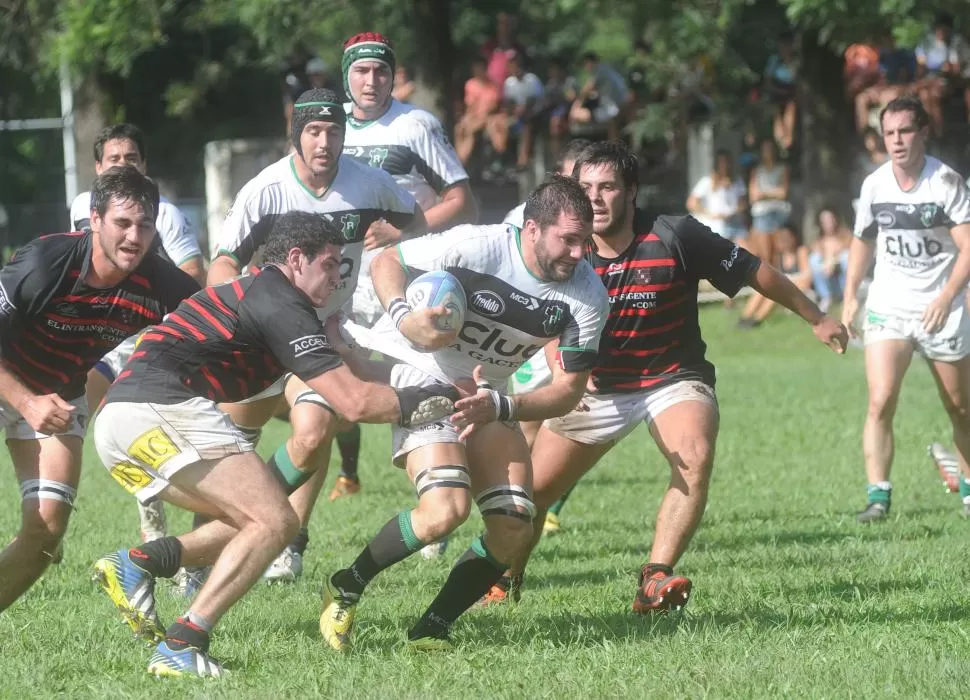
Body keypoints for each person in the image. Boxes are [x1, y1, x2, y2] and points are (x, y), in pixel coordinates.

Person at [90, 211, 462, 677]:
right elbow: (356, 403)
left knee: (248, 519)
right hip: (157, 408)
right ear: (295, 259)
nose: (337, 276)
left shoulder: (275, 301)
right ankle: (183, 644)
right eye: (328, 265)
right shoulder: (280, 304)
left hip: (122, 425)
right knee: (276, 519)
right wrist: (443, 400)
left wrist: (443, 382)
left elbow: (357, 372)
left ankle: (139, 563)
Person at [487, 141, 847, 608]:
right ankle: (504, 580)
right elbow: (548, 315)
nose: (594, 198)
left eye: (607, 187)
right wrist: (565, 372)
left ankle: (655, 579)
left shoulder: (675, 234)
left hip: (673, 378)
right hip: (599, 385)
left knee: (693, 458)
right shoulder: (567, 245)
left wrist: (817, 317)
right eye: (585, 187)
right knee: (530, 497)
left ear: (631, 191)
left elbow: (757, 272)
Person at [318, 175, 609, 651]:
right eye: (569, 240)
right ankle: (346, 584)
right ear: (533, 229)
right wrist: (403, 317)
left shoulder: (587, 297)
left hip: (489, 396)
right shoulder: (477, 247)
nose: (580, 254)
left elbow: (568, 389)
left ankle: (432, 627)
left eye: (586, 241)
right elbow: (390, 260)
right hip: (423, 375)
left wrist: (502, 404)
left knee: (515, 525)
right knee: (444, 511)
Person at [207, 86, 426, 584]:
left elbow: (416, 221)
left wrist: (399, 239)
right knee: (230, 445)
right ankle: (210, 543)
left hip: (324, 335)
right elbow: (222, 265)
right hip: (264, 336)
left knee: (313, 430)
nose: (324, 142)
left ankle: (289, 542)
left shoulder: (370, 184)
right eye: (313, 132)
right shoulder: (266, 191)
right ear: (296, 137)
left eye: (333, 131)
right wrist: (246, 313)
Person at [0, 166, 199, 613]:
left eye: (144, 225)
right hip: (9, 379)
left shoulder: (161, 283)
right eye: (122, 223)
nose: (134, 237)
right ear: (94, 220)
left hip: (58, 397)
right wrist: (25, 401)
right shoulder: (44, 262)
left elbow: (215, 322)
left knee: (46, 536)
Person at [328, 32, 477, 510]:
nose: (371, 81)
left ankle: (441, 494)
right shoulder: (330, 128)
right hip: (346, 283)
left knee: (424, 383)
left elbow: (462, 201)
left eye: (381, 71)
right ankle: (335, 488)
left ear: (393, 76)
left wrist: (404, 231)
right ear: (345, 76)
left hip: (407, 279)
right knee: (333, 385)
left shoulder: (416, 125)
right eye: (361, 71)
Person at [70, 123, 207, 564]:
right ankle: (49, 518)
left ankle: (163, 527)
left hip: (147, 340)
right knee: (69, 418)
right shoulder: (81, 207)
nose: (124, 165)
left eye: (132, 158)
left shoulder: (164, 212)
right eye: (115, 159)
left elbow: (193, 273)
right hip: (98, 341)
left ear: (144, 165)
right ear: (97, 167)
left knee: (149, 432)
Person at [841, 96, 970, 522]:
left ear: (923, 133)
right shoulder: (875, 185)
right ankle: (878, 497)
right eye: (889, 133)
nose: (897, 141)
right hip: (889, 304)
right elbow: (862, 240)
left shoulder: (946, 183)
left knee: (959, 406)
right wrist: (850, 295)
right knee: (880, 400)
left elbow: (968, 246)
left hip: (941, 305)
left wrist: (948, 294)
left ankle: (968, 485)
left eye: (905, 131)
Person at [738, 221, 813, 327]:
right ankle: (745, 318)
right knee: (761, 290)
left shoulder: (801, 251)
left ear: (794, 237)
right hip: (785, 285)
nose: (784, 240)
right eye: (782, 237)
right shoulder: (779, 255)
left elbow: (807, 277)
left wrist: (787, 280)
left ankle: (757, 320)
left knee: (775, 293)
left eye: (787, 237)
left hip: (800, 288)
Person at [686, 148, 748, 244]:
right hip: (715, 226)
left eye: (727, 162)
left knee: (746, 250)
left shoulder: (737, 181)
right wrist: (710, 214)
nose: (724, 165)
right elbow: (691, 203)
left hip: (735, 224)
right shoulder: (707, 181)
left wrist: (734, 213)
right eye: (721, 162)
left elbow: (743, 203)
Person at [455, 57, 505, 165]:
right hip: (475, 115)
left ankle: (499, 158)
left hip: (489, 117)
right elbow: (470, 105)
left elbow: (493, 106)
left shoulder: (492, 85)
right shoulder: (470, 84)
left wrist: (481, 117)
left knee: (475, 130)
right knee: (460, 128)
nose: (477, 70)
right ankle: (460, 159)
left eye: (480, 68)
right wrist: (468, 117)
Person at [748, 138, 791, 264]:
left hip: (779, 213)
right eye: (765, 149)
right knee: (765, 255)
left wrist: (764, 194)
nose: (768, 152)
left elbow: (783, 193)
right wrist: (774, 193)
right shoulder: (756, 171)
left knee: (779, 252)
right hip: (762, 214)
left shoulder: (783, 168)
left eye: (770, 149)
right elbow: (753, 196)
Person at [809, 207, 853, 312]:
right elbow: (819, 256)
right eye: (824, 221)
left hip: (843, 278)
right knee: (814, 259)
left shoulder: (846, 236)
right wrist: (828, 262)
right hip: (829, 277)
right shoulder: (819, 241)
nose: (828, 223)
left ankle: (848, 294)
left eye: (830, 219)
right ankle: (826, 297)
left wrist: (833, 260)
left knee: (845, 257)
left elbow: (850, 251)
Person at [764, 32, 798, 151]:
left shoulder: (795, 61)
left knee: (791, 107)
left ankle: (788, 137)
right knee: (777, 111)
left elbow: (797, 79)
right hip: (776, 89)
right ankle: (780, 139)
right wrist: (775, 89)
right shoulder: (774, 60)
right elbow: (768, 79)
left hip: (790, 91)